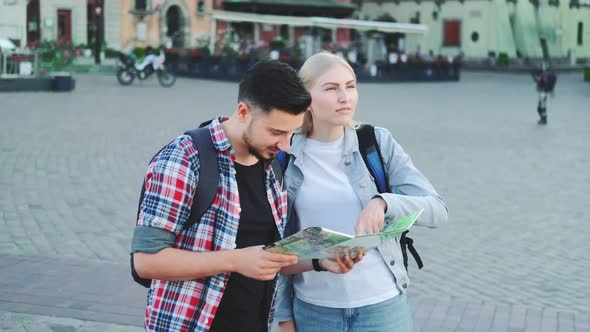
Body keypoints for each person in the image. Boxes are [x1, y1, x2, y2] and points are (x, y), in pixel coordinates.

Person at [130, 60, 312, 332]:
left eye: (291, 133)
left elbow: (263, 259)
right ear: (243, 112)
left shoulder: (271, 165)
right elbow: (145, 261)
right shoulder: (184, 158)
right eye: (276, 132)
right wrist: (235, 260)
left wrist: (321, 261)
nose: (285, 145)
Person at [274, 52, 449, 332]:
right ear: (306, 98)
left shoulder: (377, 142)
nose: (345, 97)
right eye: (331, 89)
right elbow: (276, 247)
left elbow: (438, 210)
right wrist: (284, 317)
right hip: (314, 312)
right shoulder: (283, 155)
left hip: (382, 309)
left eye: (351, 86)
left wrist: (383, 202)